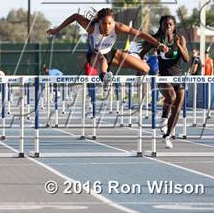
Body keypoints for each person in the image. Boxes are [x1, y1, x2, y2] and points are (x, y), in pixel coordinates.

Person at [47, 8, 168, 91]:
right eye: (104, 24)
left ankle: (133, 57)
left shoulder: (118, 27)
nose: (107, 27)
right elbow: (75, 16)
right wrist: (57, 29)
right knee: (102, 59)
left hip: (111, 53)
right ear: (98, 22)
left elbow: (140, 34)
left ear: (113, 22)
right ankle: (105, 78)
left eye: (109, 23)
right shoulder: (91, 28)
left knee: (145, 68)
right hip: (94, 55)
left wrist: (158, 44)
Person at [140, 15, 189, 149]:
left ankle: (167, 135)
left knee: (178, 108)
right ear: (161, 26)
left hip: (177, 76)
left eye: (170, 24)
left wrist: (178, 45)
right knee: (171, 97)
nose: (168, 27)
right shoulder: (157, 40)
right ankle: (164, 118)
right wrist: (142, 64)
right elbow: (142, 53)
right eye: (165, 24)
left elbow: (186, 59)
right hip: (163, 77)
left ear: (174, 26)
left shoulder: (180, 39)